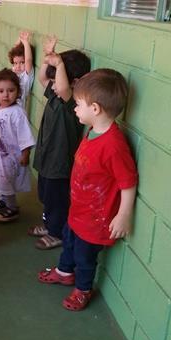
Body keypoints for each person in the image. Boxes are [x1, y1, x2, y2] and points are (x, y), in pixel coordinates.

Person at [38, 69, 138, 311]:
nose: (74, 108)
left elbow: (128, 182)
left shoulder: (114, 145)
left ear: (95, 109)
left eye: (78, 104)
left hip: (95, 219)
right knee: (69, 242)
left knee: (84, 257)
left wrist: (123, 215)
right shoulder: (93, 130)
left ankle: (82, 289)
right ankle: (64, 272)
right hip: (78, 210)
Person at [30, 36, 91, 250]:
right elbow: (42, 78)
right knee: (46, 195)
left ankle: (56, 232)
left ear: (75, 83)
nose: (53, 85)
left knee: (57, 199)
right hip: (47, 158)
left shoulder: (71, 101)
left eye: (58, 80)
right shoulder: (55, 95)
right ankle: (49, 224)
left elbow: (63, 87)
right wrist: (48, 57)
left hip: (60, 163)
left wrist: (61, 64)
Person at [0, 69, 35, 222]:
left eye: (11, 90)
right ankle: (4, 200)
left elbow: (25, 135)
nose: (6, 95)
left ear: (18, 92)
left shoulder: (17, 112)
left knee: (5, 179)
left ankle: (12, 208)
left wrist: (25, 154)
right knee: (0, 179)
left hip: (12, 156)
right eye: (1, 91)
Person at [8, 30, 35, 111]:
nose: (18, 66)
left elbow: (28, 60)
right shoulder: (14, 71)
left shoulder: (26, 75)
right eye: (15, 63)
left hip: (17, 111)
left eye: (22, 63)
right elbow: (14, 55)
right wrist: (19, 40)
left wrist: (25, 42)